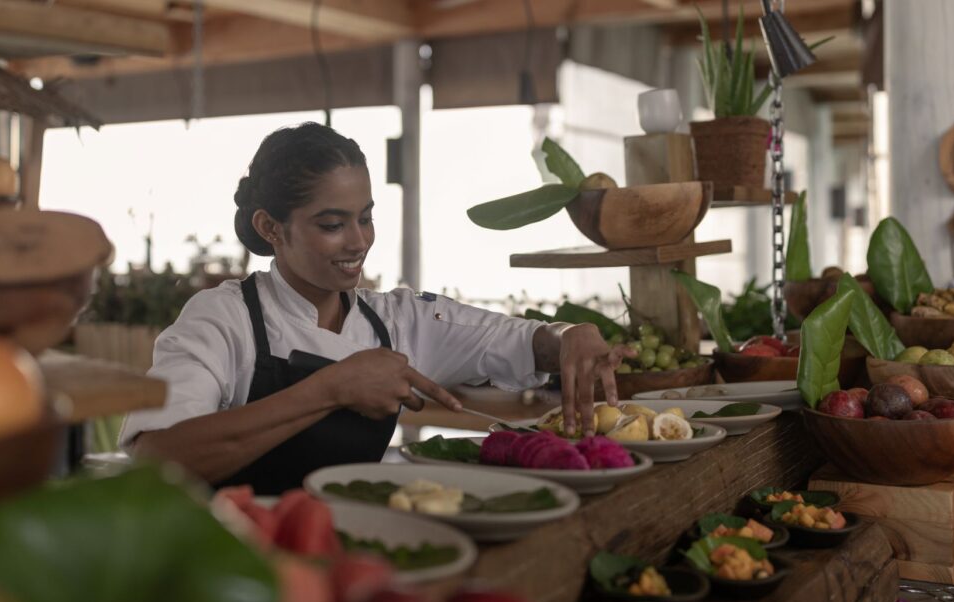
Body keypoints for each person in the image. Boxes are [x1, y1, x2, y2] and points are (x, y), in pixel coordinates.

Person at [121, 122, 628, 494]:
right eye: (332, 224)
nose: (359, 241)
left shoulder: (394, 322)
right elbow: (155, 459)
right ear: (271, 227)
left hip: (350, 547)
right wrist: (333, 387)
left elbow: (521, 341)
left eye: (365, 218)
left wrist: (568, 336)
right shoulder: (224, 318)